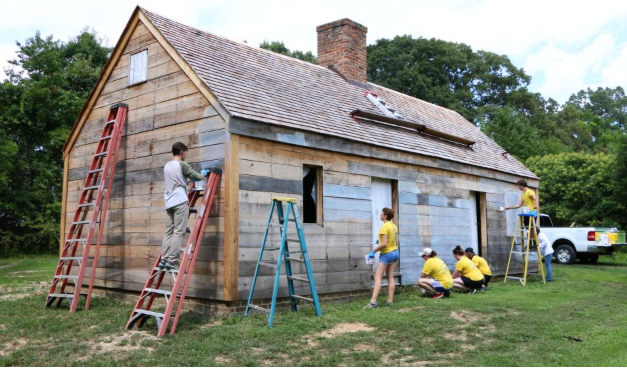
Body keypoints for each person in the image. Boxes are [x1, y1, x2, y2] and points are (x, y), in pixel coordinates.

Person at [160, 142, 207, 270]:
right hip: (179, 201)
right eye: (186, 152)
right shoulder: (182, 164)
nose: (186, 155)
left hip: (169, 202)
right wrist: (204, 174)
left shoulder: (167, 166)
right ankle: (173, 261)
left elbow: (176, 180)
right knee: (179, 231)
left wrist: (186, 181)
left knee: (168, 231)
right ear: (181, 152)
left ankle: (164, 259)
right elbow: (196, 176)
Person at [365, 208, 400, 308]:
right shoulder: (394, 226)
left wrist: (373, 251)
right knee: (390, 277)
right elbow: (394, 241)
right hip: (395, 252)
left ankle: (373, 302)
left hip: (387, 254)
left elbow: (384, 244)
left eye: (381, 213)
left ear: (385, 216)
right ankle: (390, 301)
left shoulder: (384, 227)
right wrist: (378, 242)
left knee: (377, 277)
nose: (380, 214)